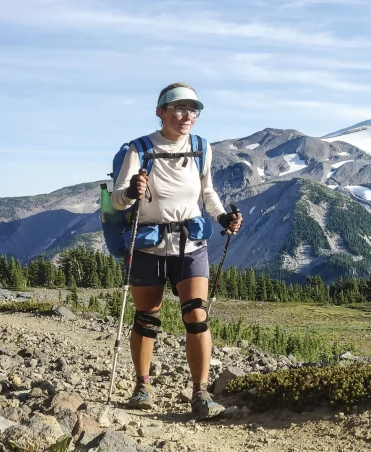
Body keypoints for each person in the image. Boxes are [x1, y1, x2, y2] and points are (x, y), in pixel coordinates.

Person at [110, 82, 242, 419]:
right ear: (161, 112)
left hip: (191, 243)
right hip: (148, 245)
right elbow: (116, 199)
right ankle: (142, 385)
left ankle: (200, 392)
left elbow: (207, 192)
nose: (187, 116)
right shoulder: (139, 149)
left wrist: (223, 216)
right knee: (147, 317)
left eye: (193, 110)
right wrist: (131, 191)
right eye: (179, 108)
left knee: (196, 314)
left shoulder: (201, 147)